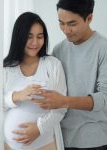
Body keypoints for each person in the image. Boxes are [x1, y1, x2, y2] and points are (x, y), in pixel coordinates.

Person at [32, 0, 107, 149]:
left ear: (89, 18)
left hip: (94, 140)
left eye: (72, 24)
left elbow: (104, 98)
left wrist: (64, 101)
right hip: (60, 139)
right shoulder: (59, 50)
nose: (66, 30)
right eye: (61, 23)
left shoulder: (103, 48)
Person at [3, 12, 67, 150]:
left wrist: (39, 128)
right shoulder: (7, 68)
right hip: (8, 146)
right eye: (29, 37)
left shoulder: (53, 65)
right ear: (19, 37)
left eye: (40, 36)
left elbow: (61, 107)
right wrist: (17, 96)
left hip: (44, 144)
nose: (35, 42)